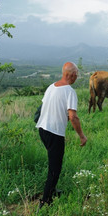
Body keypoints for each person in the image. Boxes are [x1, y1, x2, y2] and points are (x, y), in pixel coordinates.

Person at [36, 61, 87, 208]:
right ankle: (45, 201)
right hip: (54, 133)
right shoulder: (69, 91)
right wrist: (82, 136)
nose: (77, 77)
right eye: (76, 74)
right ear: (70, 75)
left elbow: (46, 106)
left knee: (54, 162)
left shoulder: (51, 87)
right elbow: (73, 117)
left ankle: (52, 190)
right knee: (55, 168)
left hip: (43, 129)